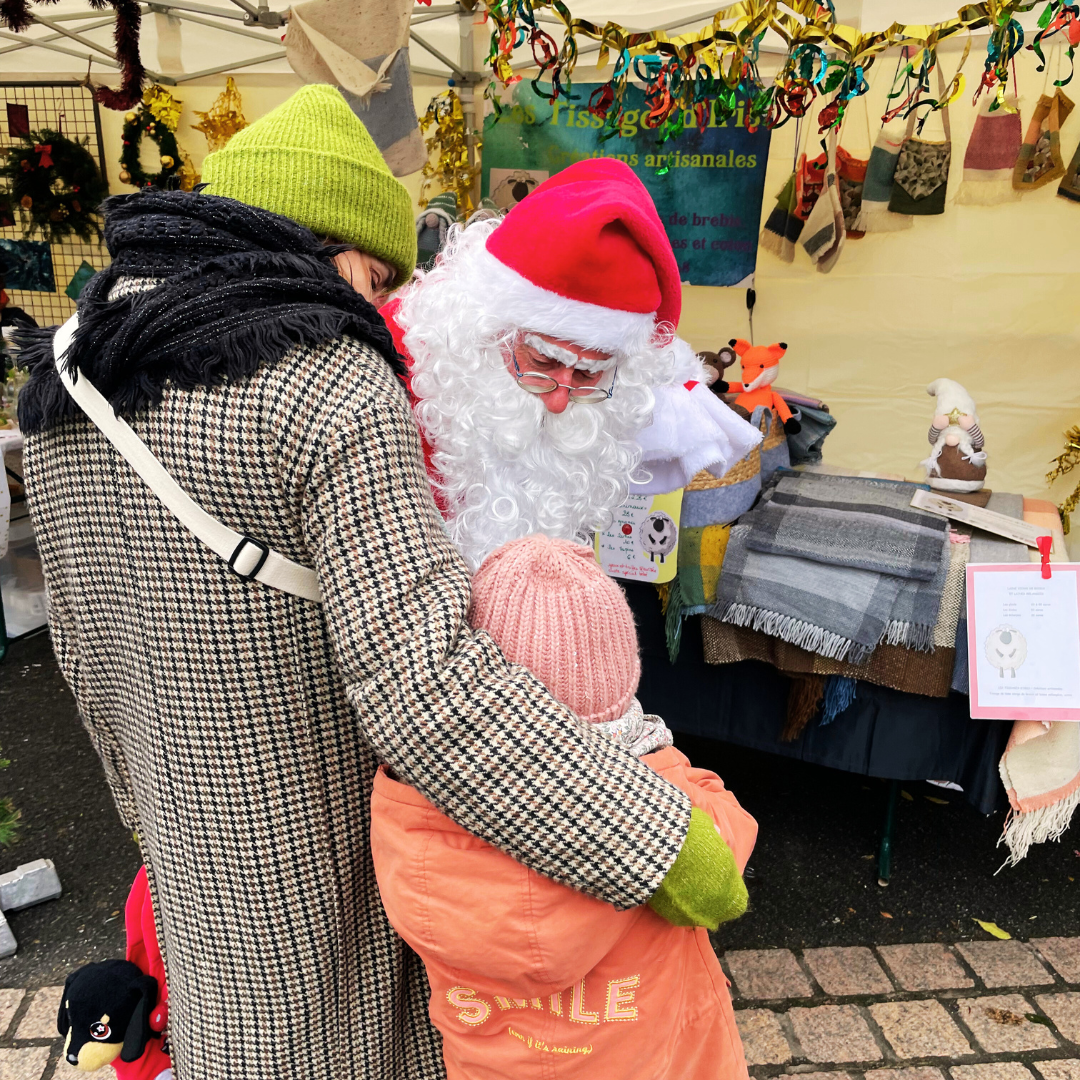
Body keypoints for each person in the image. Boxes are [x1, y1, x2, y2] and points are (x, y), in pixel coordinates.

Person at [15, 85, 737, 1079]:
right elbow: (424, 680)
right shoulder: (326, 377)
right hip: (333, 859)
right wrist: (656, 841)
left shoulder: (57, 390)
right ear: (345, 250)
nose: (381, 304)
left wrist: (166, 825)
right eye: (381, 274)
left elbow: (85, 664)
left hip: (190, 847)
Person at [371, 534, 758, 1080]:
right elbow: (729, 840)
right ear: (622, 677)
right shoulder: (657, 795)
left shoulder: (406, 810)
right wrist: (667, 761)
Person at [385, 158, 759, 572]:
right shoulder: (399, 361)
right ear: (493, 331)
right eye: (543, 361)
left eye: (587, 374)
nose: (561, 400)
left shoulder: (620, 393)